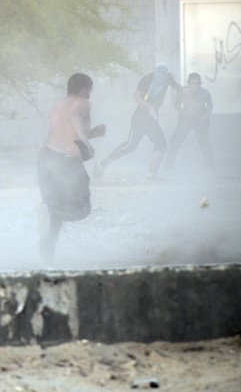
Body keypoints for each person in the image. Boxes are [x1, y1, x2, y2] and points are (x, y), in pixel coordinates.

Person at [37, 73, 106, 263]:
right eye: (90, 91)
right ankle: (53, 212)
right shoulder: (82, 102)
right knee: (82, 207)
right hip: (65, 163)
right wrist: (86, 142)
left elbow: (65, 134)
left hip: (45, 158)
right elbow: (76, 118)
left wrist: (91, 134)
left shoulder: (58, 106)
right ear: (83, 90)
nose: (90, 95)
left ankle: (46, 256)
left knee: (53, 211)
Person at [94, 62, 181, 180]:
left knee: (161, 144)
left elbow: (176, 86)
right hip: (140, 117)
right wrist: (150, 107)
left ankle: (151, 173)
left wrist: (184, 91)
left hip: (152, 119)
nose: (161, 76)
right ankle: (102, 164)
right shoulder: (147, 79)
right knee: (130, 146)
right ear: (155, 72)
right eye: (159, 73)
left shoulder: (168, 77)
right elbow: (136, 96)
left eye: (164, 74)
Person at [164, 72, 215, 171]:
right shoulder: (182, 92)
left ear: (200, 84)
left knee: (204, 142)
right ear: (188, 83)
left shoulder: (205, 93)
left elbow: (209, 104)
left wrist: (206, 115)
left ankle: (210, 166)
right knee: (175, 141)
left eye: (196, 84)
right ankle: (168, 165)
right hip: (185, 118)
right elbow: (177, 106)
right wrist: (185, 112)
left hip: (200, 118)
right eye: (192, 84)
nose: (194, 86)